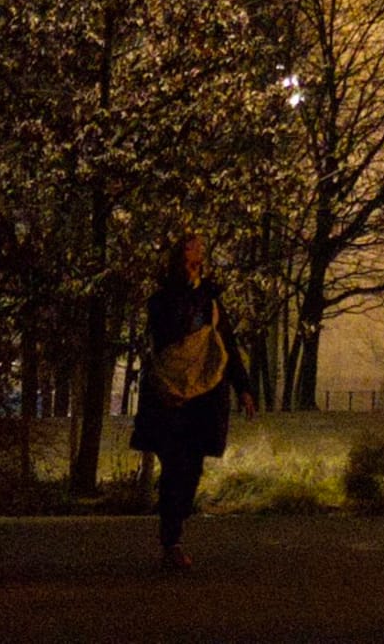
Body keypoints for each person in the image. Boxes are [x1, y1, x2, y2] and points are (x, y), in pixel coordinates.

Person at [130, 229, 255, 570]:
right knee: (175, 465)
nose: (195, 259)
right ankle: (171, 540)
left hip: (204, 398)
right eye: (189, 253)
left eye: (198, 253)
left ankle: (175, 526)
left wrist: (243, 388)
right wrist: (186, 294)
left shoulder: (211, 301)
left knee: (192, 469)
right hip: (171, 397)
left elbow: (225, 345)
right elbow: (168, 337)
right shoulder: (163, 301)